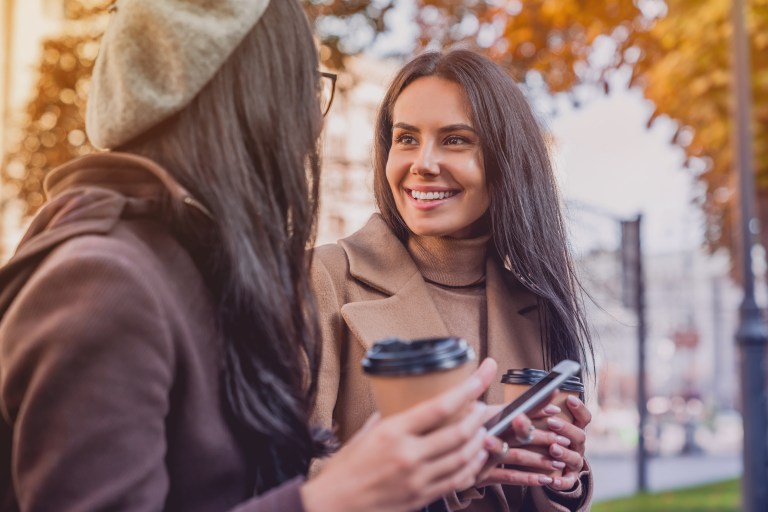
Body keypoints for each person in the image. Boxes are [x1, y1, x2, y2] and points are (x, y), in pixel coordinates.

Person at [0, 3, 517, 511]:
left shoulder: (193, 268)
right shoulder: (105, 283)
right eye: (302, 84)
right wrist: (334, 497)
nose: (313, 122)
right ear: (247, 102)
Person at [311, 49, 595, 511]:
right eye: (406, 138)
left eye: (455, 140)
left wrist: (560, 477)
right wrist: (451, 473)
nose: (422, 162)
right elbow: (288, 480)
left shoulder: (536, 307)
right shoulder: (324, 278)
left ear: (505, 159)